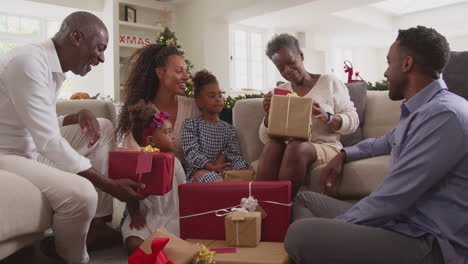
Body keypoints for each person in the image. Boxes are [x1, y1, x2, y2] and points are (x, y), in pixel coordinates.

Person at [285, 26, 468, 264]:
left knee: (300, 236)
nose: (385, 73)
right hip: (401, 223)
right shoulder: (421, 111)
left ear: (407, 64)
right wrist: (343, 154)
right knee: (305, 200)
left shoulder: (444, 115)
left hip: (427, 241)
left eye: (389, 62)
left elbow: (393, 198)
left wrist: (338, 234)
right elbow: (381, 143)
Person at [0, 11, 145, 264]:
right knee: (82, 194)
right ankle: (71, 257)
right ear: (76, 37)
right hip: (7, 154)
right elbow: (48, 141)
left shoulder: (49, 66)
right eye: (99, 48)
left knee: (103, 126)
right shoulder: (28, 63)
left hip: (31, 147)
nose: (101, 58)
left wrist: (76, 115)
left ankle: (97, 224)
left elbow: (42, 127)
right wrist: (110, 185)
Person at [256, 33, 359, 196]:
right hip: (290, 148)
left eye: (290, 63)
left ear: (301, 56)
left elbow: (353, 120)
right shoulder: (282, 90)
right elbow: (265, 138)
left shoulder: (329, 82)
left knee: (296, 146)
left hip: (326, 146)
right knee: (273, 145)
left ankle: (282, 206)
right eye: (280, 68)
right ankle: (258, 205)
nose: (287, 71)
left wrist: (329, 118)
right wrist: (269, 116)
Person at [119, 102, 186, 255]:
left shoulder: (175, 162)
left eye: (172, 131)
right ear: (150, 141)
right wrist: (135, 214)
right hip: (147, 217)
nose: (173, 137)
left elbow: (184, 191)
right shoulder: (143, 161)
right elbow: (132, 192)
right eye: (167, 132)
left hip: (171, 217)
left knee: (174, 244)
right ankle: (152, 249)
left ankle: (158, 249)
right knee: (133, 243)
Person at [117, 44, 200, 164]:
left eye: (186, 71)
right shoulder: (141, 112)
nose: (186, 77)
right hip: (155, 176)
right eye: (178, 71)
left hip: (191, 179)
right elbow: (136, 159)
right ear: (160, 73)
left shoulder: (194, 107)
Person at [181, 70, 248, 182]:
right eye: (212, 96)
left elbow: (234, 154)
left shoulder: (228, 129)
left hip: (222, 171)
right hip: (198, 174)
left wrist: (243, 170)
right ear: (199, 101)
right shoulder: (191, 124)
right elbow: (191, 153)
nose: (218, 99)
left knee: (242, 179)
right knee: (213, 178)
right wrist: (211, 168)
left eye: (220, 95)